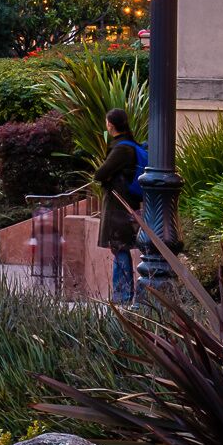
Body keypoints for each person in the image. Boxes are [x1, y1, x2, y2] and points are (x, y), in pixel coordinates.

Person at [96, 108, 146, 304]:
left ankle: (122, 296)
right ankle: (123, 295)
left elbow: (100, 174)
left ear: (111, 125)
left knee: (120, 249)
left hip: (119, 204)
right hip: (128, 201)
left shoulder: (121, 149)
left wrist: (107, 176)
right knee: (120, 249)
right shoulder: (131, 145)